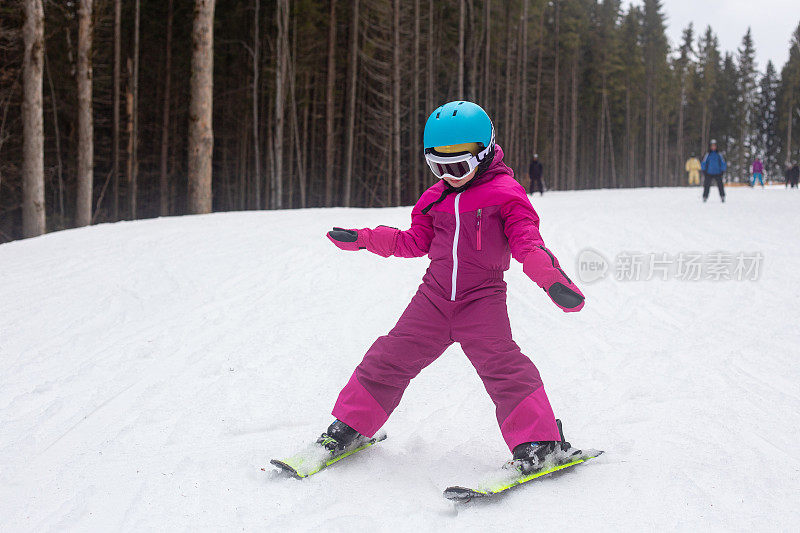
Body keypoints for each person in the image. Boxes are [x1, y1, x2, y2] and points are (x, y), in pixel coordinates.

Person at [322, 101, 586, 473]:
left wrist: (551, 279)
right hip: (432, 300)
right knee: (388, 356)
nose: (450, 176)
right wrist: (364, 238)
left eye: (459, 166)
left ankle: (539, 442)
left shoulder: (506, 193)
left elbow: (527, 241)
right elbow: (414, 241)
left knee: (504, 367)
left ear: (484, 152)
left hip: (482, 300)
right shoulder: (434, 198)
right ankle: (352, 426)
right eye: (438, 168)